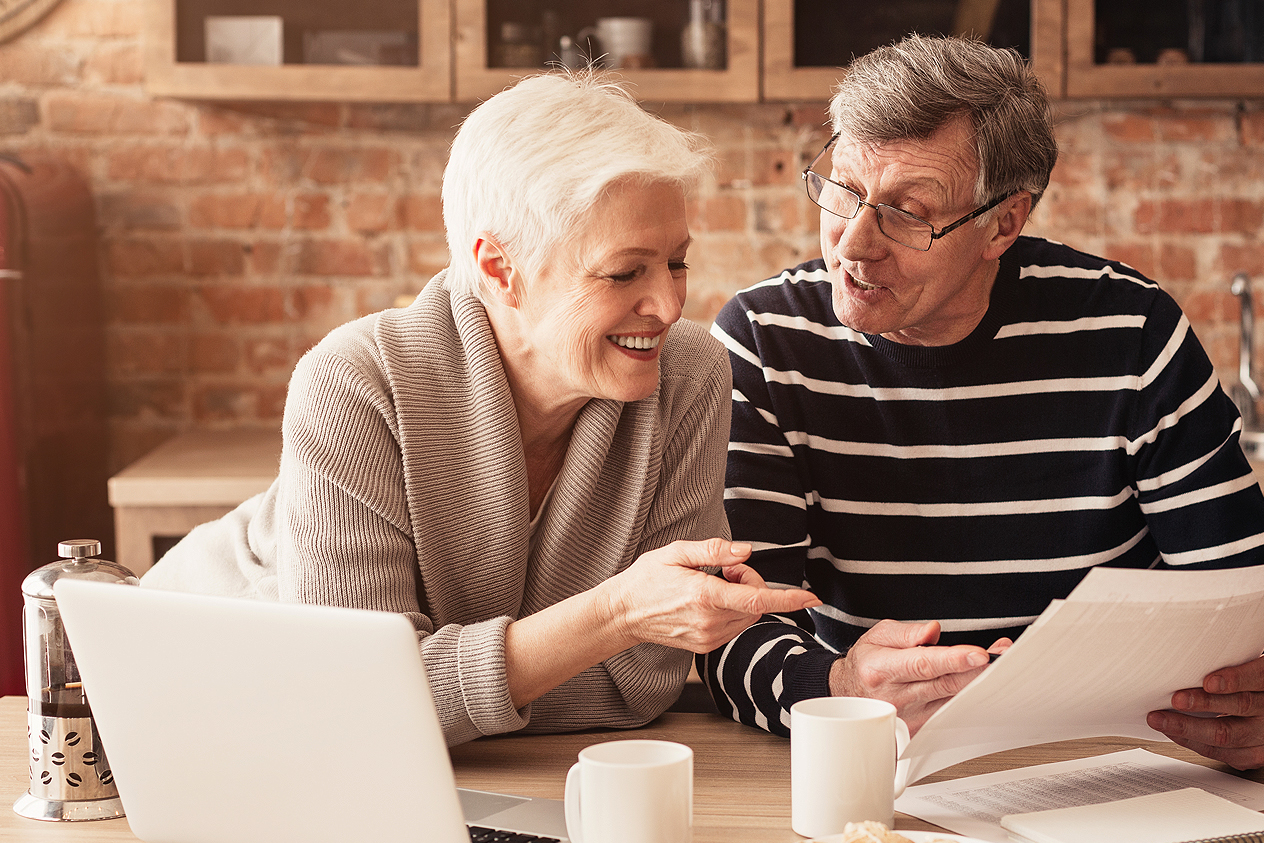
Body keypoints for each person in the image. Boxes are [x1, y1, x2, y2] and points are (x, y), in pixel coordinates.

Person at [701, 34, 1264, 772]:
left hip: (1108, 764)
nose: (855, 244)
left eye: (908, 211)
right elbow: (731, 630)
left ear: (1004, 223)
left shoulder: (1130, 332)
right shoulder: (765, 339)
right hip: (874, 766)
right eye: (843, 190)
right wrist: (838, 686)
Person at [143, 73, 818, 747]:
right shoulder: (353, 383)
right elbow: (354, 704)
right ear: (499, 270)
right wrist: (612, 616)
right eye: (623, 272)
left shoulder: (689, 373)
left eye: (676, 263)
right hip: (183, 702)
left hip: (440, 765)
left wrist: (432, 683)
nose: (668, 306)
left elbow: (640, 685)